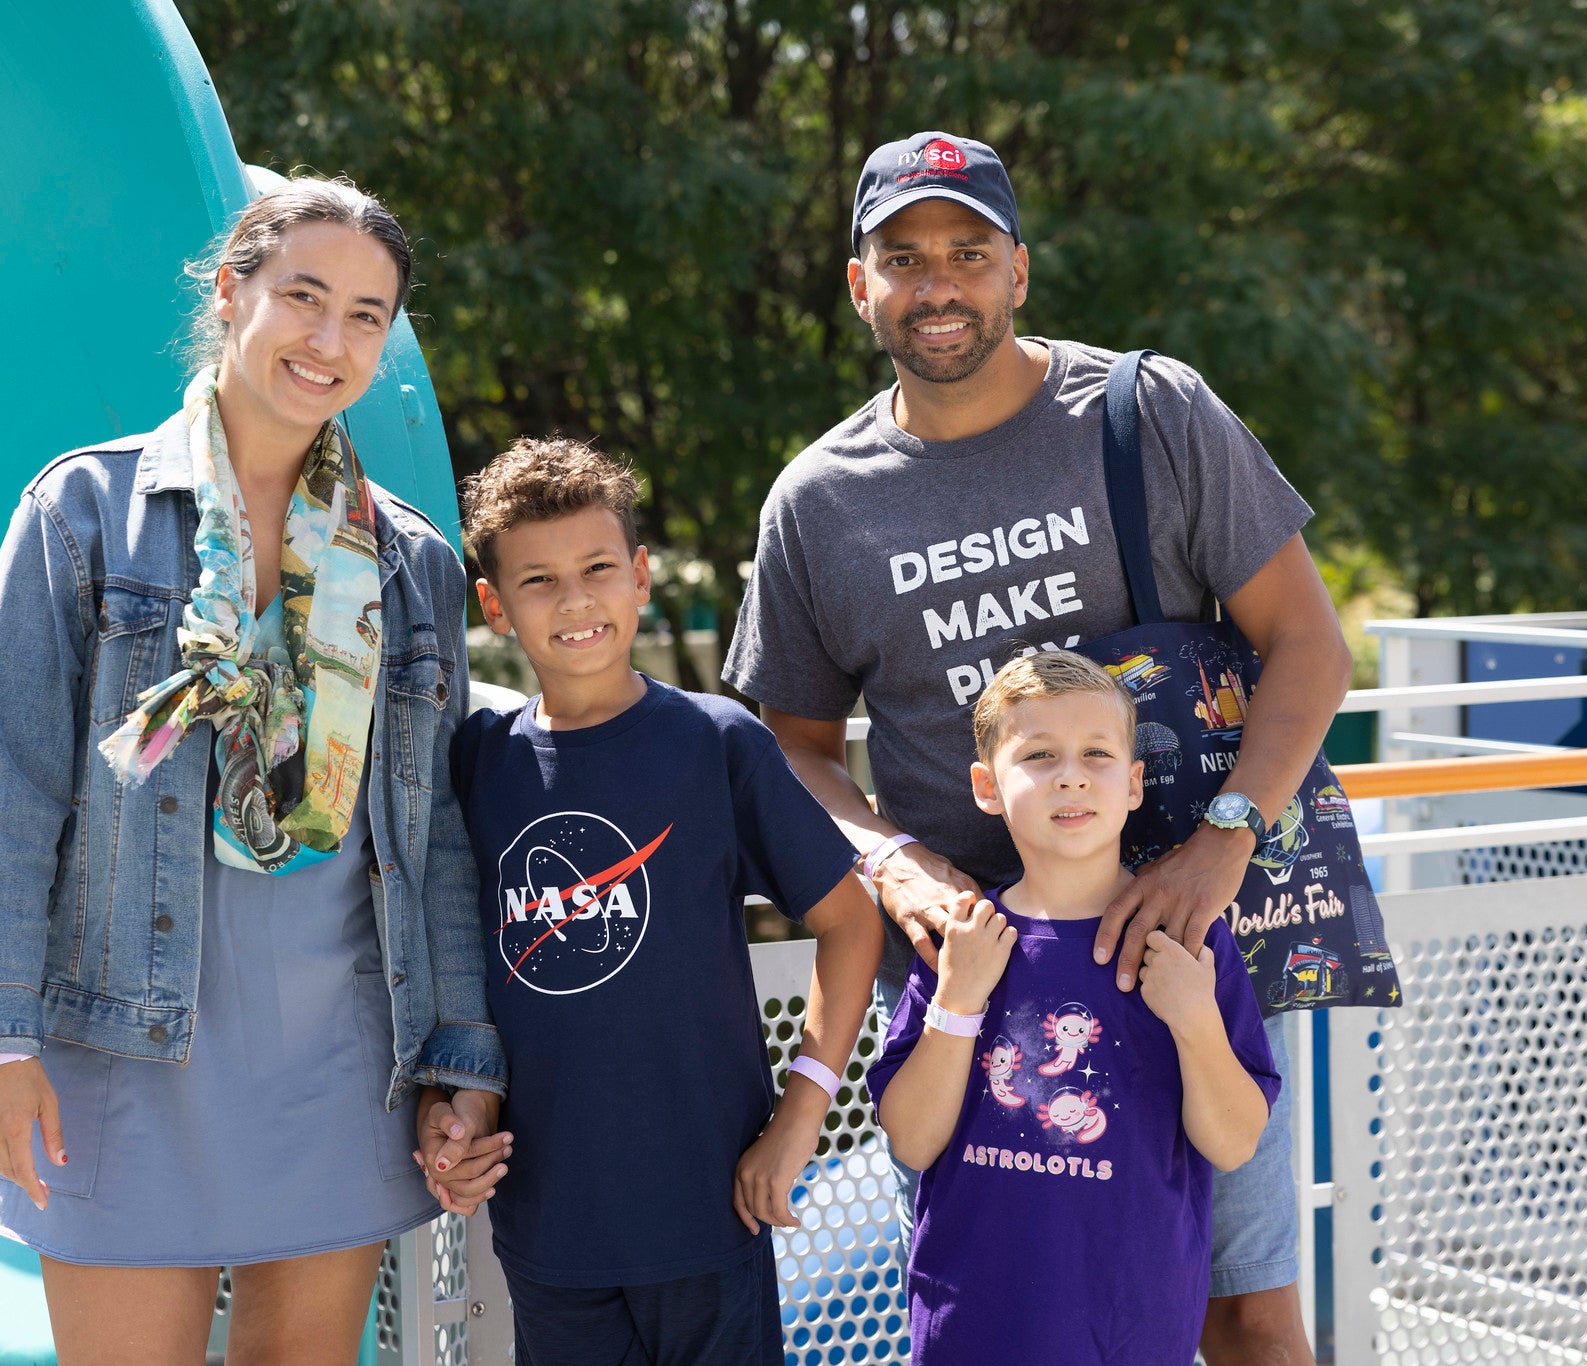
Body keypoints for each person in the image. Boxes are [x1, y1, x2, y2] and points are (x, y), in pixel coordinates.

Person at [724, 130, 1352, 1364]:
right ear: (860, 285)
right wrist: (889, 858)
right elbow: (786, 743)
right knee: (993, 1312)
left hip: (1170, 952)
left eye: (967, 251)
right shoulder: (818, 499)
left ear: (1018, 270)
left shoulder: (1147, 412)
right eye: (902, 258)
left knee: (1245, 1316)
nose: (937, 284)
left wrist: (1220, 846)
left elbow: (1310, 647)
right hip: (975, 992)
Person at [0, 176, 508, 1366]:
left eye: (367, 315)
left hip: (339, 1057)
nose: (329, 339)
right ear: (229, 291)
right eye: (302, 297)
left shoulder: (409, 561)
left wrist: (462, 1055)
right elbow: (11, 787)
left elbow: (437, 839)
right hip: (117, 1048)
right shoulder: (83, 513)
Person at [447, 437, 885, 1365]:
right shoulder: (476, 765)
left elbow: (852, 922)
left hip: (710, 1207)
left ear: (640, 576)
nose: (575, 601)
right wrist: (451, 1107)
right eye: (539, 581)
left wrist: (801, 1114)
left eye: (598, 568)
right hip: (549, 1226)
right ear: (493, 605)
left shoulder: (716, 742)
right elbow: (451, 963)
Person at [869, 652, 1277, 1364]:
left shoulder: (1188, 939)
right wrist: (960, 1001)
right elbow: (911, 1140)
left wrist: (1193, 1019)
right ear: (986, 787)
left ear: (1134, 782)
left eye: (1097, 752)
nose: (1071, 774)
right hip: (971, 1326)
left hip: (1133, 1331)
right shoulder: (962, 942)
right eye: (1038, 755)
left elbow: (1235, 1142)